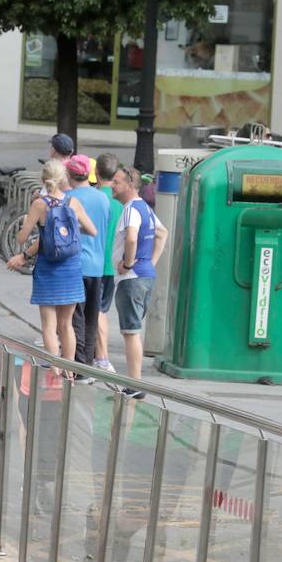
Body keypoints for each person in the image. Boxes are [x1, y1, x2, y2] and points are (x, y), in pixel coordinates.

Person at [6, 159, 98, 367]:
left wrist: (25, 224)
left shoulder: (39, 205)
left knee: (49, 324)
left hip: (48, 269)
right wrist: (68, 232)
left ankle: (54, 369)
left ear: (43, 179)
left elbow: (21, 238)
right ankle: (69, 371)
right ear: (63, 177)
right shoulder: (73, 203)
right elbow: (92, 231)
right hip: (71, 268)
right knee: (67, 324)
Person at [111, 165, 168, 397]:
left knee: (131, 331)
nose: (112, 186)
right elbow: (162, 233)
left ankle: (135, 385)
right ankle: (135, 383)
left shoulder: (130, 210)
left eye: (117, 182)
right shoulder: (145, 207)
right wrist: (151, 262)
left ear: (130, 185)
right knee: (132, 330)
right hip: (145, 276)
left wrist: (128, 262)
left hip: (132, 278)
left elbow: (132, 238)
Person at [65, 154, 111, 369]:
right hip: (97, 265)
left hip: (75, 264)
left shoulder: (69, 198)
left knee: (75, 317)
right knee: (91, 317)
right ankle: (89, 365)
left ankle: (79, 365)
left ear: (69, 174)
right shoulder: (103, 198)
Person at [92, 152, 125, 371]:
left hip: (93, 264)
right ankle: (98, 354)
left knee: (96, 312)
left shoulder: (93, 198)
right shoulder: (120, 205)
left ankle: (102, 357)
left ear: (96, 173)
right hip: (111, 266)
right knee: (102, 308)